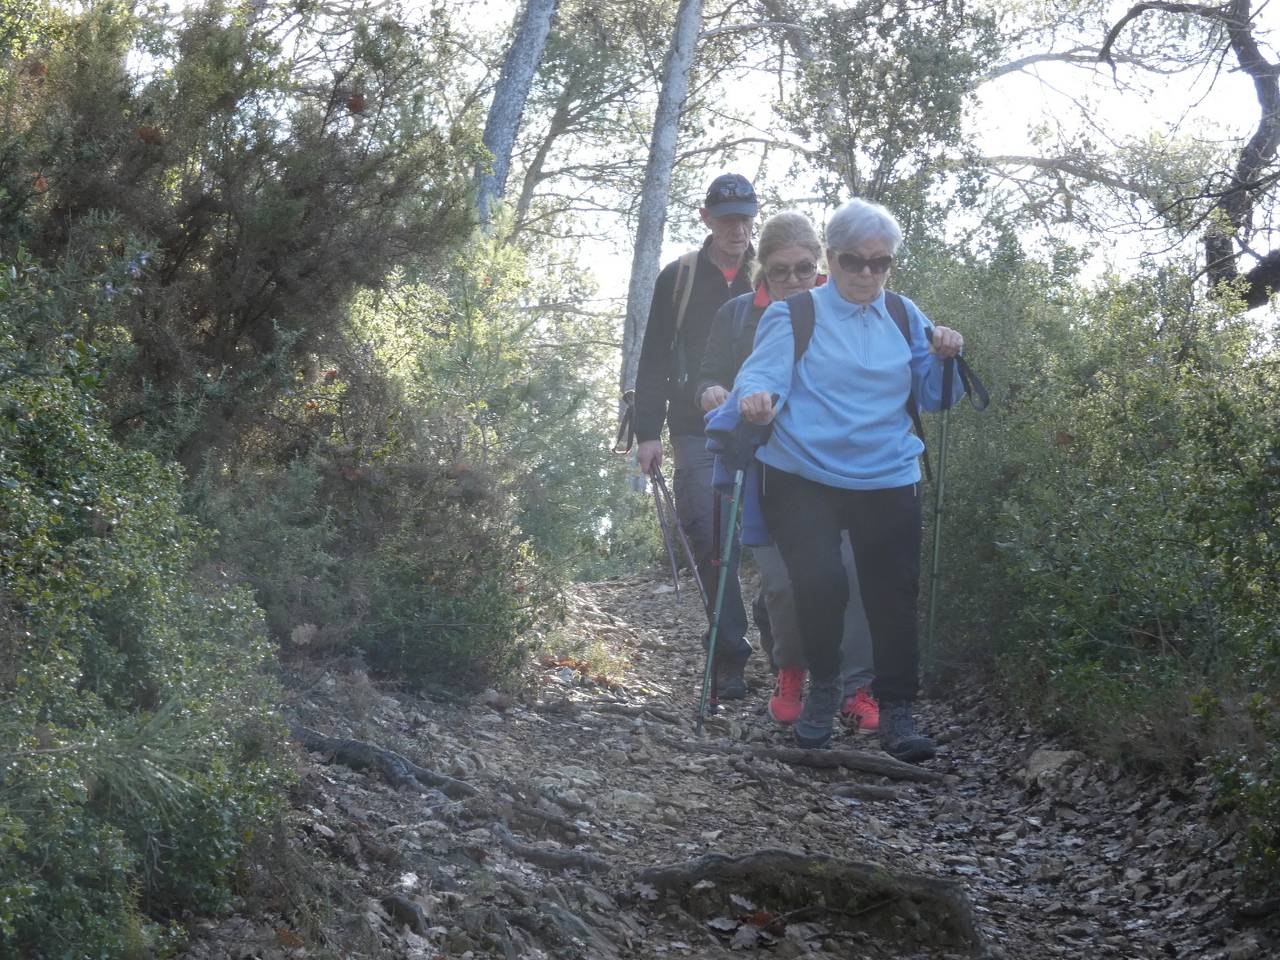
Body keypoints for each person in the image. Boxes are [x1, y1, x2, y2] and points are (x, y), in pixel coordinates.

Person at [734, 198, 966, 760]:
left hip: (887, 475)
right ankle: (825, 690)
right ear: (829, 261)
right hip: (803, 473)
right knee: (820, 585)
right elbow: (759, 374)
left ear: (890, 264)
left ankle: (898, 712)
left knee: (892, 595)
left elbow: (936, 400)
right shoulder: (795, 314)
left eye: (879, 262)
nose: (867, 273)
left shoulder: (907, 315)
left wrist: (944, 359)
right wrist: (756, 401)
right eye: (853, 261)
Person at [694, 211, 879, 731]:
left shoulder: (850, 310)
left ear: (821, 267)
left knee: (853, 574)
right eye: (782, 272)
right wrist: (714, 394)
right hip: (765, 471)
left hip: (843, 470)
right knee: (781, 583)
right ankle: (792, 671)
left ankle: (857, 686)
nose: (795, 281)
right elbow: (709, 373)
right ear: (763, 272)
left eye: (805, 270)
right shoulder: (736, 317)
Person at [633, 173, 758, 697]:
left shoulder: (776, 271)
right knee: (709, 534)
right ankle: (729, 651)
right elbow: (655, 356)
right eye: (726, 217)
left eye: (745, 216)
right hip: (694, 428)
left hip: (770, 424)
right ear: (706, 218)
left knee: (779, 539)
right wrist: (646, 432)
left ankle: (790, 654)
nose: (737, 227)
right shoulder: (678, 277)